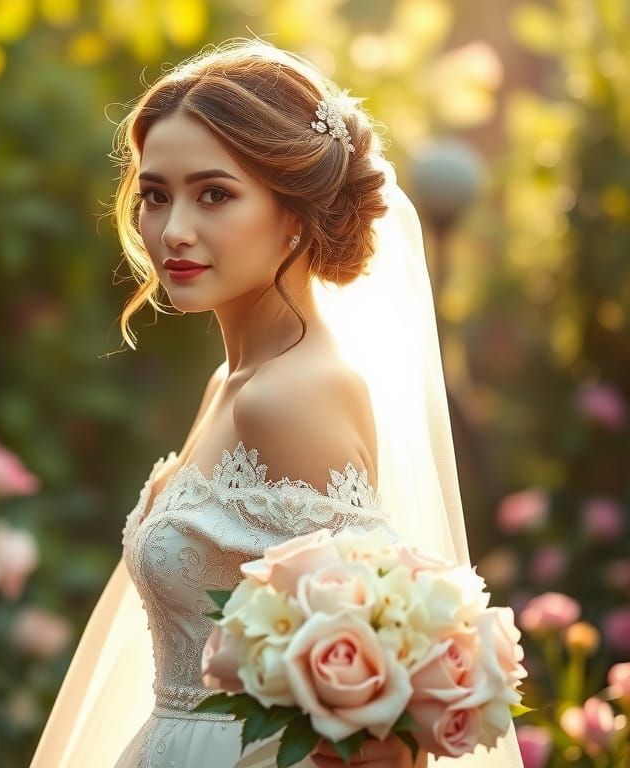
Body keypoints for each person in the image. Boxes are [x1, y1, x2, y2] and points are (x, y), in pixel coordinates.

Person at [30, 38, 525, 768]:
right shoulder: (235, 385)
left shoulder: (295, 397)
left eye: (215, 194)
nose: (174, 231)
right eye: (156, 196)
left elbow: (379, 728)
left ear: (293, 212)